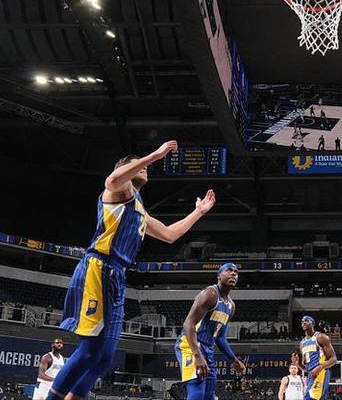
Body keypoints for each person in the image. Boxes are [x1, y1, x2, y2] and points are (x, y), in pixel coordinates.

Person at [45, 141, 216, 400]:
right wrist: (155, 155)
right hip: (98, 268)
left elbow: (170, 235)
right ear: (126, 168)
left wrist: (198, 212)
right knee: (90, 350)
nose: (146, 168)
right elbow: (113, 180)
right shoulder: (118, 191)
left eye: (146, 165)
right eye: (138, 164)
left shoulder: (138, 207)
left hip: (117, 275)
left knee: (104, 357)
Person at [175, 263, 246, 400]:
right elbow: (188, 324)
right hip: (190, 344)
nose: (233, 274)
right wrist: (197, 355)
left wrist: (234, 360)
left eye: (236, 272)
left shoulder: (231, 306)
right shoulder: (210, 294)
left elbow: (220, 337)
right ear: (219, 276)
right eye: (229, 270)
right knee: (197, 392)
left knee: (208, 396)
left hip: (208, 347)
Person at [291, 316, 337, 400]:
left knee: (309, 398)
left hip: (321, 373)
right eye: (302, 321)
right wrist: (298, 364)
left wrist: (320, 367)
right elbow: (306, 369)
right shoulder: (302, 343)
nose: (304, 322)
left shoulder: (320, 337)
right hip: (310, 376)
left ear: (313, 323)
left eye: (307, 321)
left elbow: (334, 359)